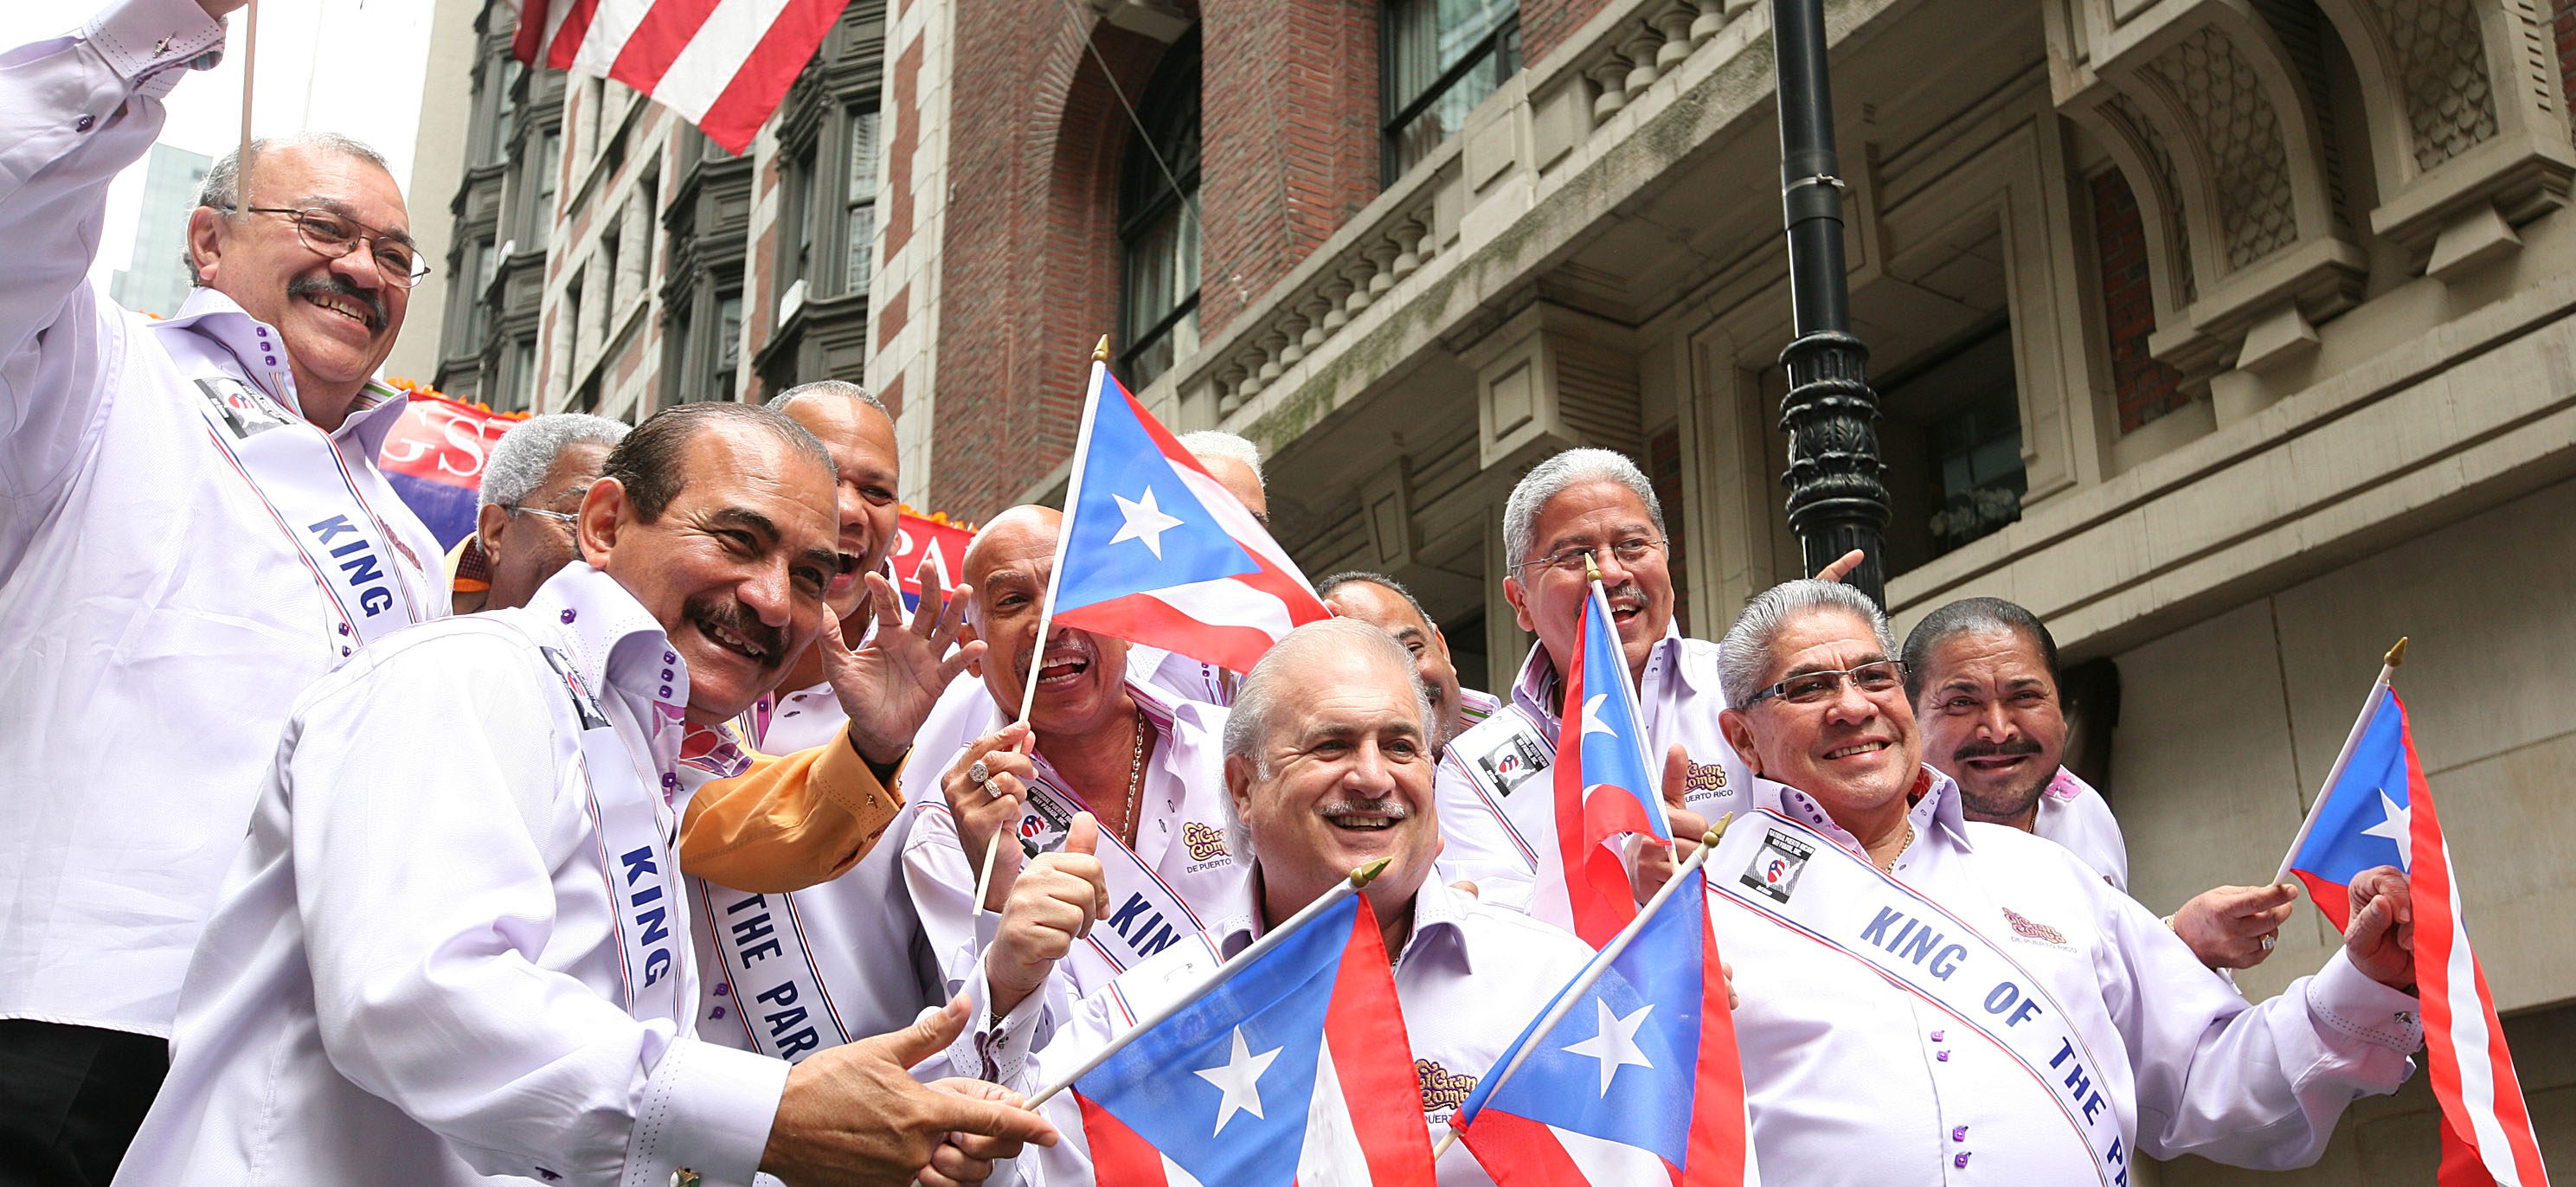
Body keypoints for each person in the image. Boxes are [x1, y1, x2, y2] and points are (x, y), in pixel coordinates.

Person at [114, 402, 1055, 1187]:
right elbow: (415, 999)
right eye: (738, 538)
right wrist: (772, 1113)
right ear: (603, 525)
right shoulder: (469, 676)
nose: (774, 598)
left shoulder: (639, 759)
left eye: (809, 575)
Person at [0, 4, 450, 1176]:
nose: (363, 268)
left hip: (299, 1076)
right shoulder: (88, 372)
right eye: (324, 227)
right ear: (207, 244)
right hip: (72, 1013)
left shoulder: (407, 547)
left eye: (395, 256)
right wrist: (161, 26)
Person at [1698, 580, 2421, 1181]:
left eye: (1872, 676)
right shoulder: (1699, 914)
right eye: (1809, 685)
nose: (1852, 705)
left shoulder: (2052, 876)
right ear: (1740, 738)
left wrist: (2366, 979)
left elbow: (2216, 1076)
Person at [969, 619, 1596, 1184]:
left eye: (1401, 746)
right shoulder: (1141, 1022)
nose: (1374, 778)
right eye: (1331, 745)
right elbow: (1006, 1168)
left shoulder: (1556, 986)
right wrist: (1007, 982)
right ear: (1243, 788)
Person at [903, 505, 1253, 1061]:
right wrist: (1000, 898)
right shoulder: (951, 828)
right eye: (1013, 601)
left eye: (1073, 592)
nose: (1050, 623)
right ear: (972, 645)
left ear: (1126, 620)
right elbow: (1001, 1066)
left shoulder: (1237, 751)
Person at [1433, 447, 1747, 912]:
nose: (1610, 573)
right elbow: (1497, 942)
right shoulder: (1472, 770)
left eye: (1633, 546)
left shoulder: (1744, 690)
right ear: (1519, 600)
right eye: (1575, 555)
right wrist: (1624, 886)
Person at [1904, 596, 2295, 970]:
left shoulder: (2080, 807)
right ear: (1910, 720)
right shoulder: (1874, 842)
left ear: (2060, 714)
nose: (1999, 730)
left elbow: (2105, 977)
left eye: (2024, 696)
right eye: (1961, 702)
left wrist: (2185, 936)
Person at [1317, 570, 1498, 753]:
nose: (1404, 681)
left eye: (1412, 650)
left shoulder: (1524, 726)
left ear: (1442, 650)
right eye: (1363, 667)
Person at [475, 412, 629, 612]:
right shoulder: (430, 631)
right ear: (495, 532)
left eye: (625, 532)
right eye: (578, 522)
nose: (608, 553)